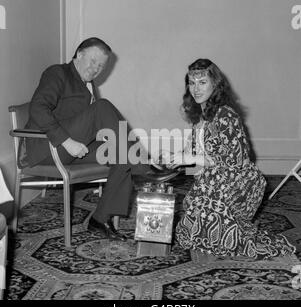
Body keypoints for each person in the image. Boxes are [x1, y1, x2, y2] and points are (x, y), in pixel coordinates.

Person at [23, 37, 177, 242]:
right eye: (93, 61)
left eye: (101, 66)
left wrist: (109, 141)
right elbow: (38, 108)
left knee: (120, 154)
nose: (96, 68)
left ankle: (100, 218)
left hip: (74, 149)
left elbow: (89, 126)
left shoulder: (87, 86)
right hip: (47, 148)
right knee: (103, 107)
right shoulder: (57, 73)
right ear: (79, 54)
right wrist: (66, 141)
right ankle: (144, 166)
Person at [168, 58, 296, 260]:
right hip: (212, 180)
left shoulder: (226, 116)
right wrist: (175, 157)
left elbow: (231, 162)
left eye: (202, 83)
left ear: (215, 84)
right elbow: (193, 149)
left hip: (238, 182)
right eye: (192, 83)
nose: (196, 89)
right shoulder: (200, 116)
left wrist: (189, 157)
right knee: (188, 236)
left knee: (218, 241)